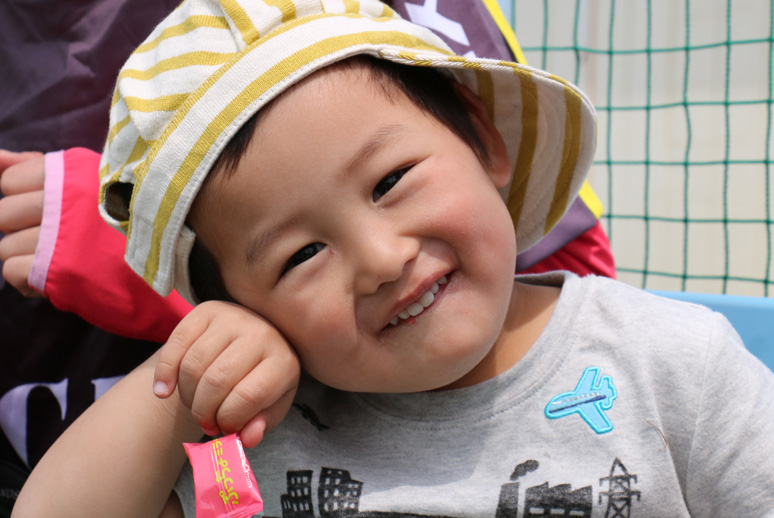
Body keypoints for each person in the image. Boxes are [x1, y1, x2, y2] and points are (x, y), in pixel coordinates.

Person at [12, 0, 774, 516]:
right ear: (241, 304)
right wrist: (182, 387)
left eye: (390, 181)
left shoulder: (672, 365)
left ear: (483, 140)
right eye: (302, 254)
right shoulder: (249, 434)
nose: (380, 259)